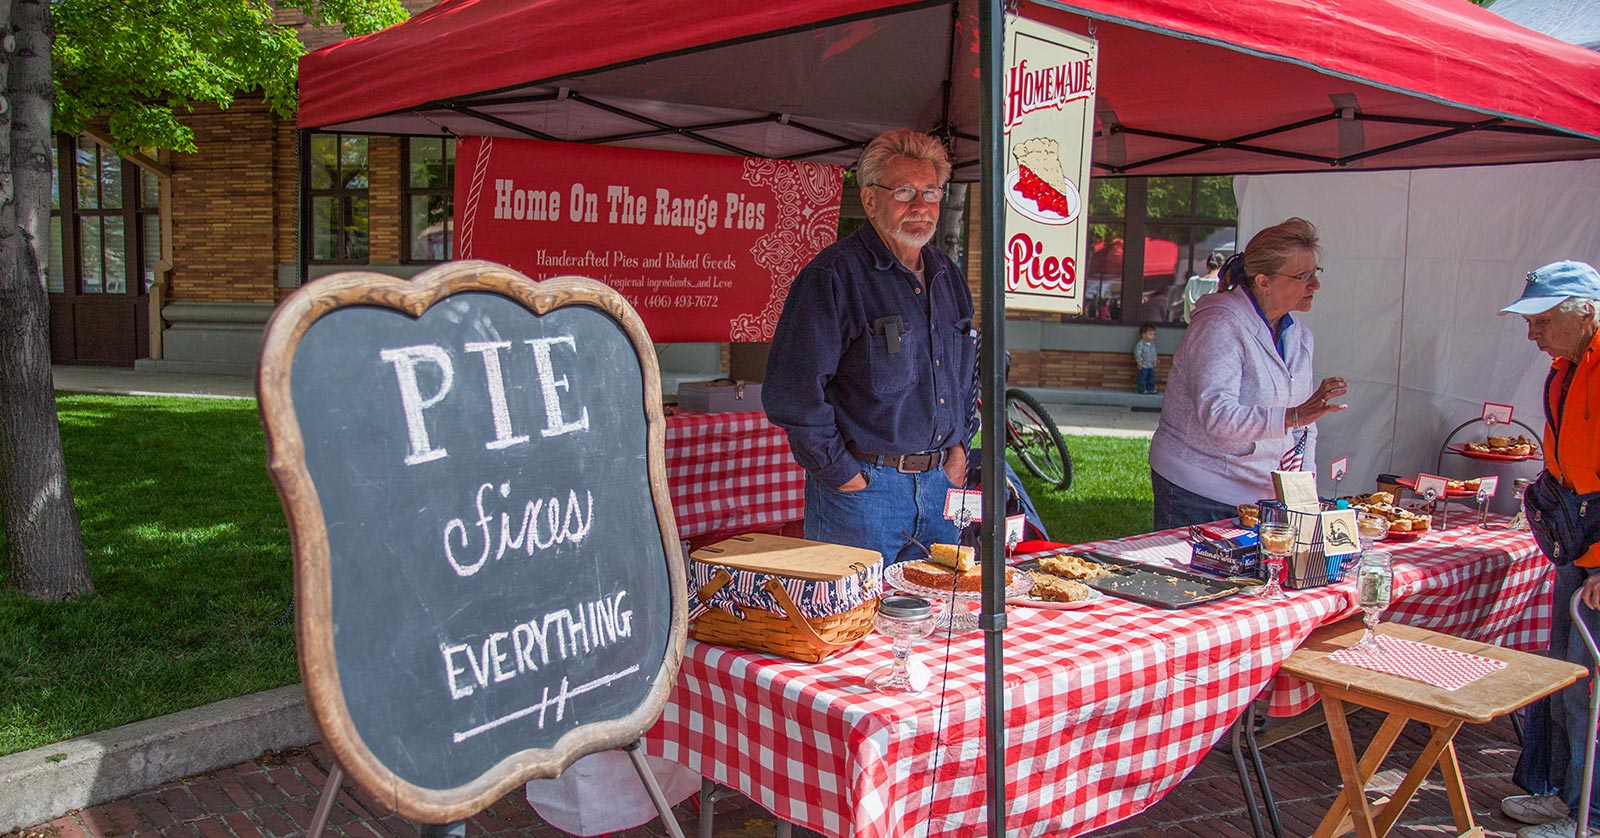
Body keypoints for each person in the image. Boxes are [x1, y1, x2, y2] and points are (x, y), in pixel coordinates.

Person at [763, 129, 976, 566]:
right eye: (903, 191)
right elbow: (793, 393)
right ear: (871, 200)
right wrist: (843, 475)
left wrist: (960, 450)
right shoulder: (833, 276)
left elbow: (968, 370)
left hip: (943, 487)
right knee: (854, 629)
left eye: (930, 191)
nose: (920, 205)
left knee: (940, 627)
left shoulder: (947, 276)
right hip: (864, 495)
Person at [1146, 217, 1348, 531]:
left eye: (1315, 273)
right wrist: (1292, 417)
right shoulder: (1219, 325)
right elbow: (1218, 416)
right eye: (1302, 276)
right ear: (1263, 281)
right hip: (1197, 490)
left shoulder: (1299, 337)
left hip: (1259, 494)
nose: (1315, 285)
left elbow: (1304, 429)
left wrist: (1301, 492)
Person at [1499, 261, 1600, 838]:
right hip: (1580, 545)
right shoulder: (1566, 365)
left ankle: (1591, 816)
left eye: (1540, 320)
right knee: (1568, 679)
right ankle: (1568, 796)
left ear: (1583, 310)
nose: (1531, 333)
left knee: (1590, 687)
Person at [1181, 252, 1226, 323]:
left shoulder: (1192, 282)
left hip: (1193, 325)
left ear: (1207, 265)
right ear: (1222, 267)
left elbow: (1186, 309)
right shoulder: (1219, 284)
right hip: (1211, 326)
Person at [1134, 323, 1159, 394]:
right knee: (1142, 378)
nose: (1152, 336)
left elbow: (1154, 353)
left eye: (1154, 334)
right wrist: (1139, 361)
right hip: (1143, 365)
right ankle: (1142, 389)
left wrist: (1155, 360)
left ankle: (1151, 389)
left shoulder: (1152, 344)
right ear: (1143, 335)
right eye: (1150, 334)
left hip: (1150, 365)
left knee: (1151, 378)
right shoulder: (1140, 344)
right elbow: (1137, 353)